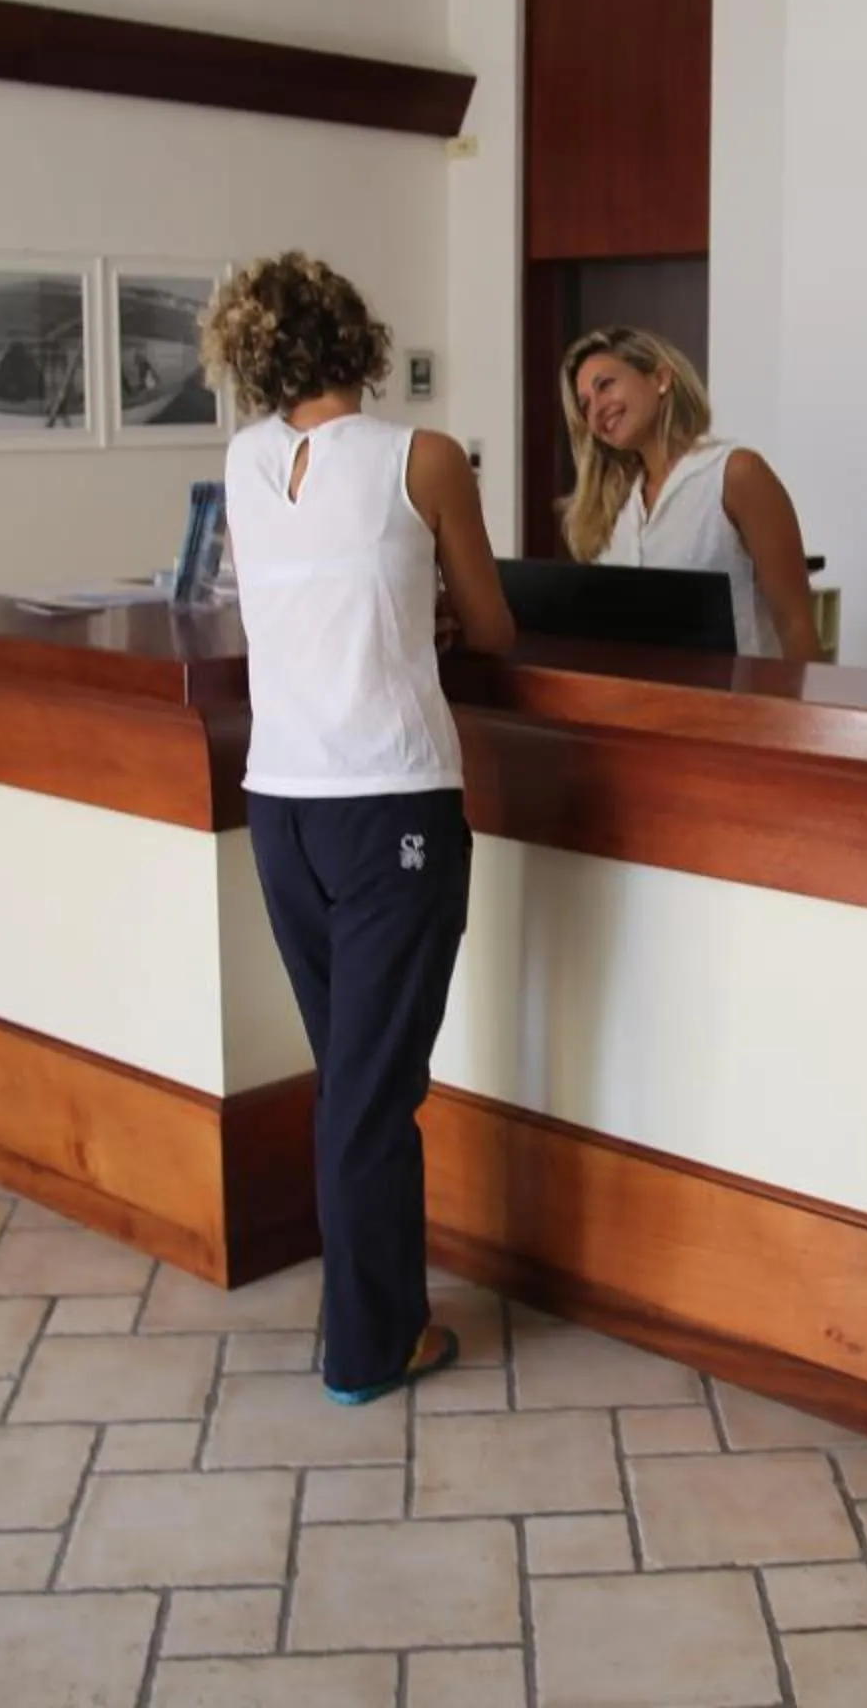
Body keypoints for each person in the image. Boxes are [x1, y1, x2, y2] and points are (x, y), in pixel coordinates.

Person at [205, 251, 515, 1406]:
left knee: (352, 1078)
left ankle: (366, 1317)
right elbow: (492, 624)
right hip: (390, 802)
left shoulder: (242, 460)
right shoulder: (420, 457)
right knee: (371, 1090)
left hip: (279, 803)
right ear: (358, 335)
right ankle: (369, 1343)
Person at [557, 328, 822, 660]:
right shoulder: (612, 507)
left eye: (605, 385)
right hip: (636, 704)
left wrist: (798, 710)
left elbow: (795, 623)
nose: (596, 409)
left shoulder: (735, 473)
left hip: (738, 703)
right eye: (585, 405)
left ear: (661, 378)